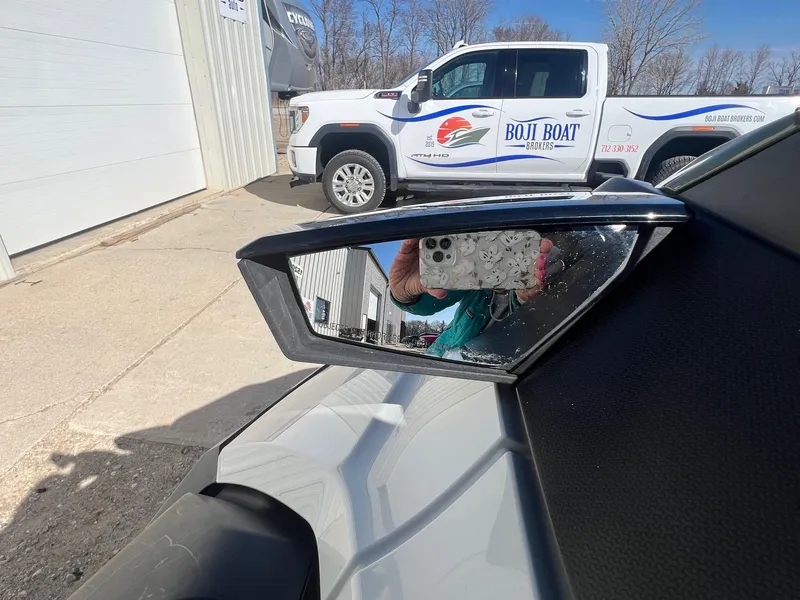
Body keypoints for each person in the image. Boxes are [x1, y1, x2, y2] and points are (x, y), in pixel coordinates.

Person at [389, 236, 561, 358]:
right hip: (440, 357)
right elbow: (437, 296)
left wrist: (524, 303)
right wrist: (405, 294)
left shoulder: (552, 256)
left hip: (475, 371)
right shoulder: (475, 264)